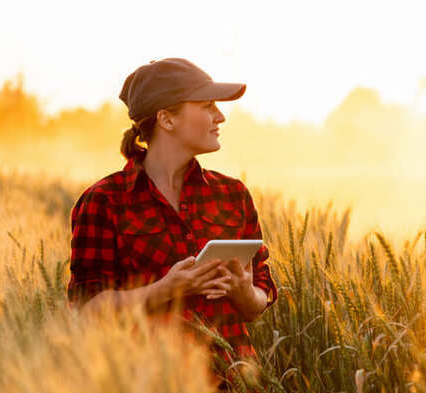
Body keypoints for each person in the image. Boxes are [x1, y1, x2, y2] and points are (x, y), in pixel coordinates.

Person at [67, 58, 278, 392]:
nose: (220, 116)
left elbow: (257, 303)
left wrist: (241, 289)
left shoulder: (233, 194)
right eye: (208, 106)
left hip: (234, 380)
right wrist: (167, 289)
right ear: (166, 119)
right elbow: (88, 309)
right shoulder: (104, 201)